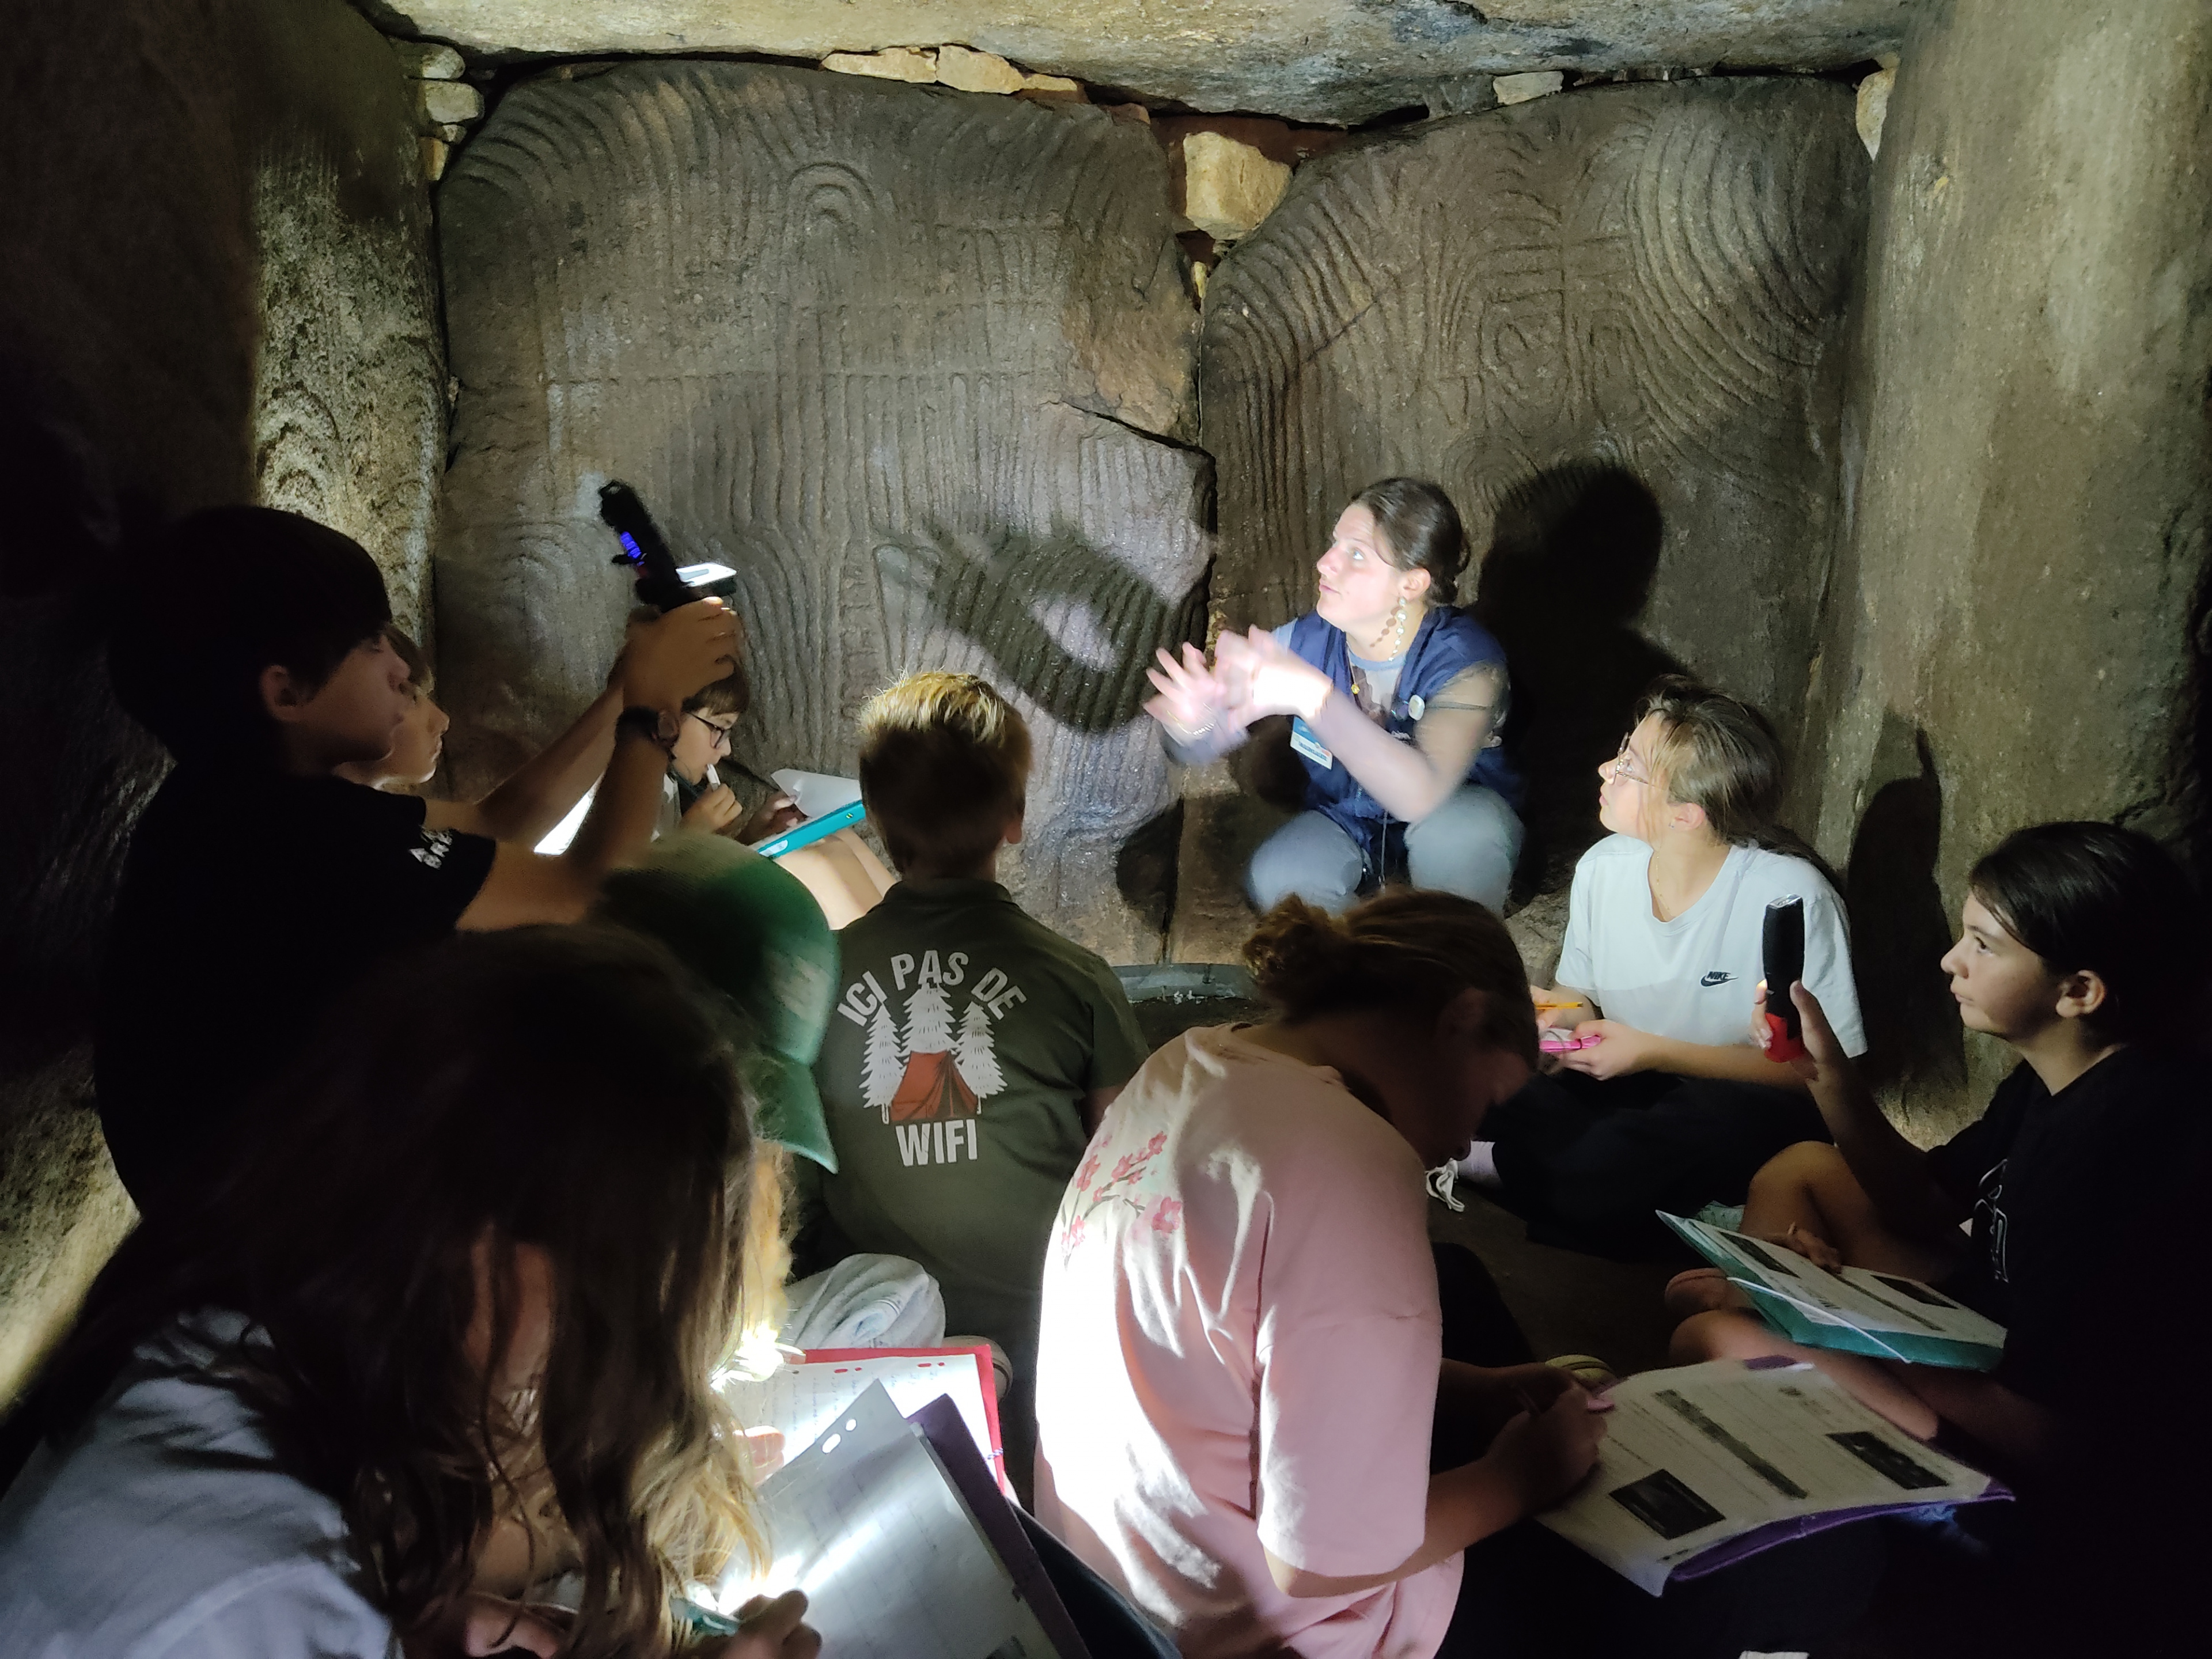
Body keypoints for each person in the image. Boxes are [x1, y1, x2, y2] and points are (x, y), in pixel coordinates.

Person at [0, 925, 817, 1659]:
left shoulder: (238, 1327)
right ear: (492, 1239)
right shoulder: (268, 1597)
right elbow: (265, 1598)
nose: (580, 1369)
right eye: (617, 1305)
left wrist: (418, 1627)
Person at [96, 506, 737, 1215]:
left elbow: (500, 823)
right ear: (286, 692)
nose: (401, 667)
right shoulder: (305, 842)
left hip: (242, 1207)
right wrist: (652, 716)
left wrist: (626, 690)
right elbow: (589, 894)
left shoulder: (230, 803)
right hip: (275, 1239)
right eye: (372, 644)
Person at [1667, 821, 2208, 1645]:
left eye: (1984, 945)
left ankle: (1885, 1517)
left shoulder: (2122, 1150)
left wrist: (1814, 1319)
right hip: (1988, 1336)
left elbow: (2056, 1437)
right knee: (1802, 1171)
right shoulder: (2060, 1079)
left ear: (2080, 991)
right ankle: (1777, 1391)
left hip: (2036, 1488)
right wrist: (1826, 1075)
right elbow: (1921, 1204)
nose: (1953, 960)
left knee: (1711, 1334)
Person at [1032, 891, 1609, 1658]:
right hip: (1246, 1633)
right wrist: (1522, 1478)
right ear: (1460, 1021)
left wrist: (1467, 1386)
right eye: (1487, 1102)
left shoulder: (1188, 1061)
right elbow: (1319, 1562)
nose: (1465, 1141)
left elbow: (1223, 1339)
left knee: (1458, 1279)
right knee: (1626, 1585)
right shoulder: (1347, 1164)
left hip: (1110, 1588)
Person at [806, 672, 1149, 1484]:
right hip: (1049, 1345)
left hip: (881, 1341)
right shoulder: (1077, 980)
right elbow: (1130, 1175)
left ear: (875, 817)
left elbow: (794, 1181)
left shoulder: (816, 981)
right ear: (1015, 818)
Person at [1458, 676, 1864, 1256]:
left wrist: (1652, 1051)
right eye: (1621, 752)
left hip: (1739, 1103)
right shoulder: (1604, 867)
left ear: (1687, 815)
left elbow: (1825, 1076)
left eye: (1629, 767)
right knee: (1488, 1078)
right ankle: (1597, 1191)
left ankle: (1517, 1172)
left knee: (1639, 1147)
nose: (1605, 769)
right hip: (1631, 1088)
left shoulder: (1789, 898)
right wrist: (1551, 1017)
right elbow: (1579, 1000)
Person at [1145, 478, 1523, 914]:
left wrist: (1315, 698)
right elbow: (1194, 745)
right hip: (1352, 819)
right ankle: (1359, 955)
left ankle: (1454, 949)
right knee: (1280, 879)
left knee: (1461, 838)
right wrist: (1193, 722)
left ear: (1412, 583)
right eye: (1334, 544)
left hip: (1453, 816)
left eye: (1356, 554)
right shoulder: (1305, 641)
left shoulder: (1466, 662)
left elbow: (1419, 797)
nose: (1325, 563)